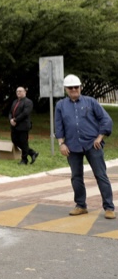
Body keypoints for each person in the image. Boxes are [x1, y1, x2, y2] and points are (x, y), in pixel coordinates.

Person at [55, 74, 115, 219]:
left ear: (80, 87)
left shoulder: (91, 102)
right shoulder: (61, 105)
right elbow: (58, 126)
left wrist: (100, 137)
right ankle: (81, 205)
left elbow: (106, 119)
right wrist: (61, 143)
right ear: (66, 89)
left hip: (92, 145)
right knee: (76, 176)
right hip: (72, 146)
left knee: (101, 175)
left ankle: (109, 207)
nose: (74, 89)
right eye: (70, 87)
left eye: (76, 87)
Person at [10, 86, 38, 165]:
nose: (18, 93)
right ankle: (32, 153)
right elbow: (10, 112)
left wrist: (15, 120)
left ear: (25, 92)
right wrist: (11, 119)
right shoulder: (15, 101)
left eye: (20, 91)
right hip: (14, 126)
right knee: (15, 141)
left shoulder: (28, 102)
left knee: (23, 142)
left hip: (23, 126)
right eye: (17, 91)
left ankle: (24, 160)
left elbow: (25, 113)